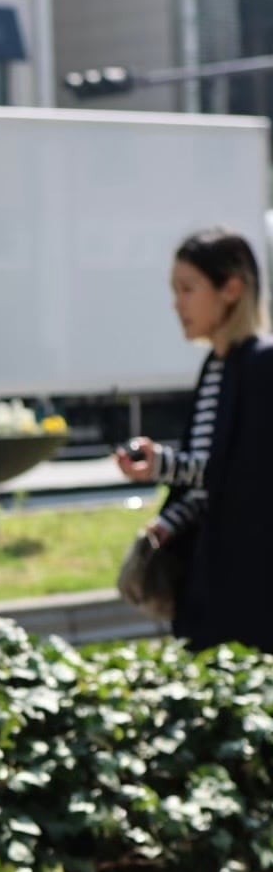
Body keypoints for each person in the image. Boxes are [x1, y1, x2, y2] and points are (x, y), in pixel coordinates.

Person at [115, 227, 273, 652]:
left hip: (249, 583)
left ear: (231, 289)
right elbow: (208, 486)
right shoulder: (215, 366)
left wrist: (165, 464)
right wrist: (167, 526)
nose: (177, 304)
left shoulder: (261, 365)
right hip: (211, 572)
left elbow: (244, 475)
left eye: (188, 289)